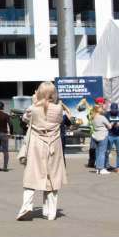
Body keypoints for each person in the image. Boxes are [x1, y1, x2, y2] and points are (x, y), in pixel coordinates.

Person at [17, 81, 68, 221]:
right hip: (53, 144)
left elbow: (25, 119)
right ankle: (50, 212)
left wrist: (35, 103)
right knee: (52, 177)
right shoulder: (58, 109)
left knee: (31, 174)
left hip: (37, 144)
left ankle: (26, 206)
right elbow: (60, 120)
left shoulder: (33, 109)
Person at [105, 102, 119, 173]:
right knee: (107, 151)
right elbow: (103, 123)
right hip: (110, 135)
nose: (114, 111)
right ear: (110, 108)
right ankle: (107, 165)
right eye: (113, 109)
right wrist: (109, 124)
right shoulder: (107, 114)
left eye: (115, 109)